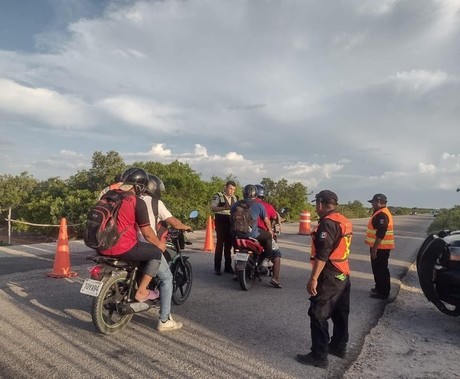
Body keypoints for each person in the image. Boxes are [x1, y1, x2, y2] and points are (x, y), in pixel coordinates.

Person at [296, 190, 352, 369]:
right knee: (340, 313)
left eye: (316, 205)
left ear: (320, 204)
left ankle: (319, 355)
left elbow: (323, 254)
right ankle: (338, 346)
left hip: (329, 274)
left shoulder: (327, 224)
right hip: (343, 272)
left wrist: (313, 278)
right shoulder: (343, 220)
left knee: (318, 313)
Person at [98, 168, 166, 305]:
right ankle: (142, 290)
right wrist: (159, 244)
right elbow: (147, 233)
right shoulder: (136, 201)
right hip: (122, 247)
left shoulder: (108, 196)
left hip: (100, 245)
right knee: (155, 253)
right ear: (139, 186)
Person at [138, 174, 192, 332]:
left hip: (129, 243)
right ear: (154, 188)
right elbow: (172, 221)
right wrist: (185, 226)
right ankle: (165, 319)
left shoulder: (133, 199)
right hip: (148, 243)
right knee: (167, 278)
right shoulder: (155, 202)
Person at [231, 184, 273, 265]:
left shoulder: (236, 204)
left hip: (236, 233)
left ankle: (235, 262)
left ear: (244, 193)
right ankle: (267, 259)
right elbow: (266, 221)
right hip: (251, 234)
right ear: (256, 194)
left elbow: (231, 218)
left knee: (233, 241)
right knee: (268, 236)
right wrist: (270, 230)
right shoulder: (259, 205)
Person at [365, 193, 395, 300]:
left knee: (381, 270)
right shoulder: (380, 212)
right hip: (379, 247)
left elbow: (381, 232)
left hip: (381, 248)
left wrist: (374, 248)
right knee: (377, 269)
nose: (371, 205)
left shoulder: (382, 214)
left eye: (372, 202)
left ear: (378, 202)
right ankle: (378, 288)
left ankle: (383, 293)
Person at [254, 184, 283, 288]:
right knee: (277, 254)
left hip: (245, 233)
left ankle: (236, 273)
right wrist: (271, 230)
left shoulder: (246, 204)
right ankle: (275, 278)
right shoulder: (267, 206)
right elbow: (275, 218)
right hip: (262, 234)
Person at [210, 180, 238, 275]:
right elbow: (213, 208)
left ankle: (228, 267)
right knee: (219, 245)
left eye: (233, 189)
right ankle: (217, 267)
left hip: (231, 221)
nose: (231, 191)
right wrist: (223, 208)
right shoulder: (218, 196)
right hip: (221, 221)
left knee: (228, 245)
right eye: (230, 189)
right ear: (225, 187)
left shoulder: (235, 198)